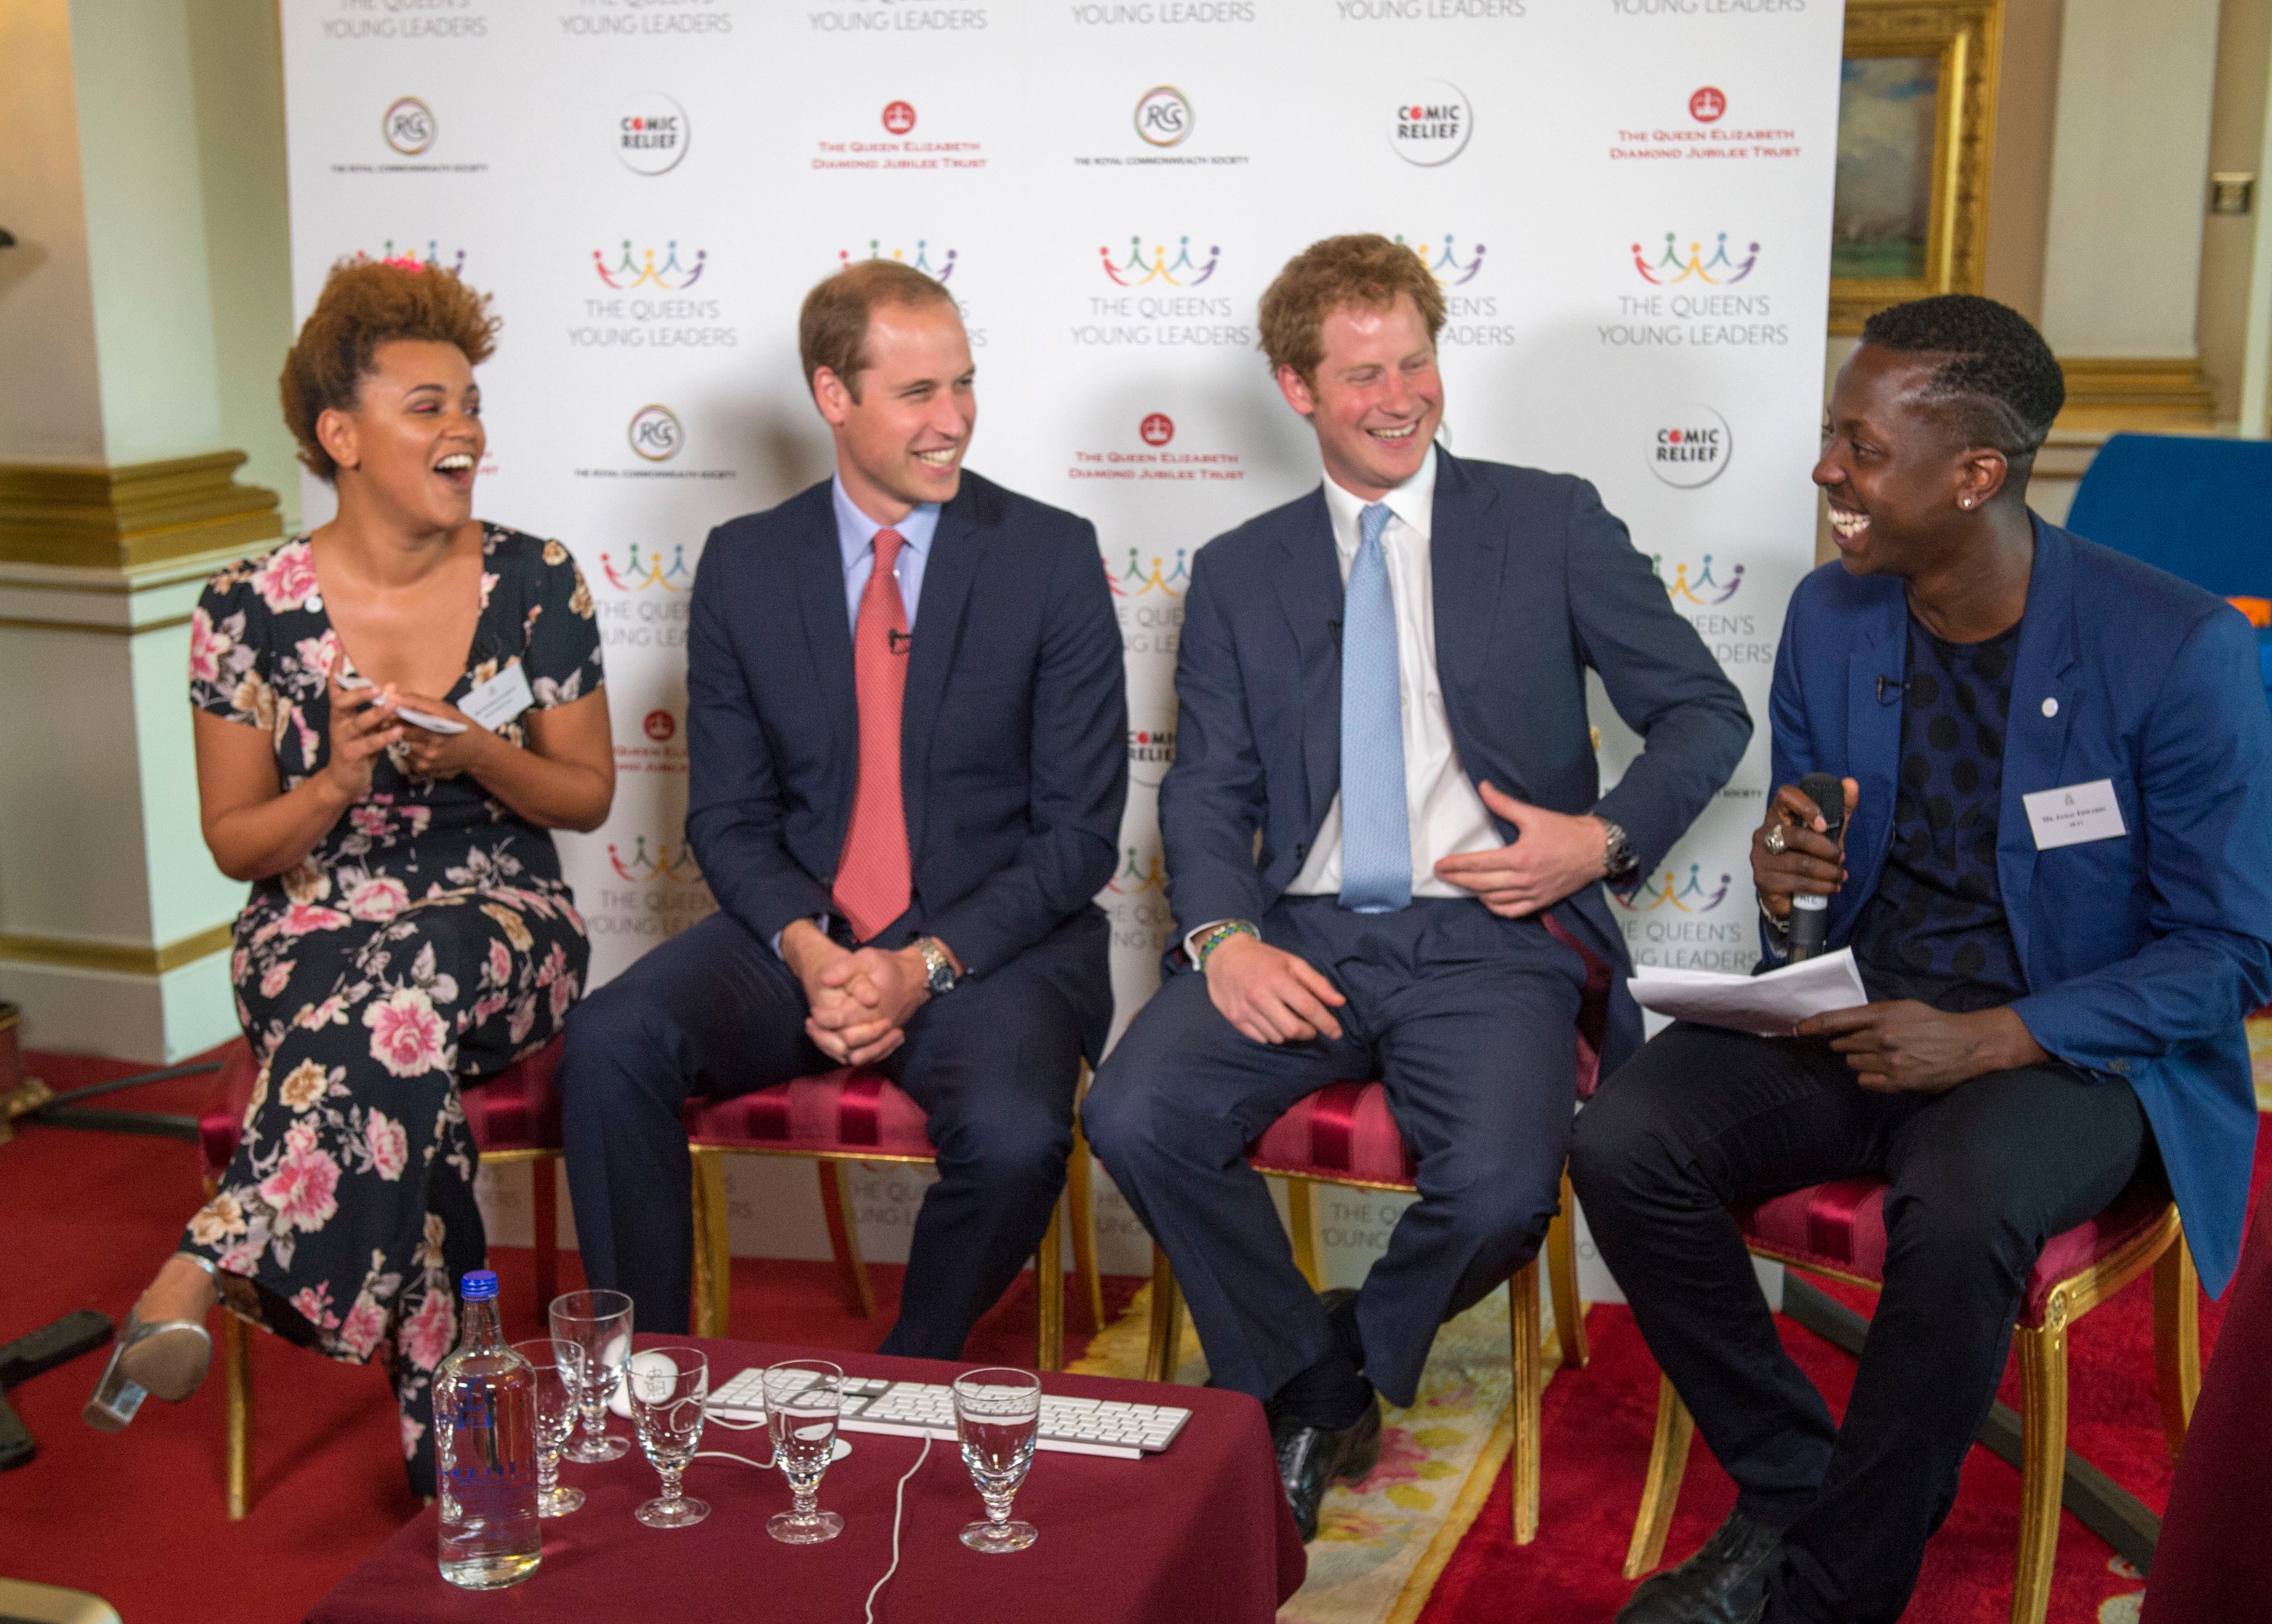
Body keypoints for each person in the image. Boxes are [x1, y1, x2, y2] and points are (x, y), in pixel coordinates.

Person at [1570, 294, 2272, 1624]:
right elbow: (1815, 867)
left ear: (1977, 474)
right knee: (1624, 1136)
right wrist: (1787, 890)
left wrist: (1998, 1035)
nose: (1828, 469)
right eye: (1834, 437)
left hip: (2076, 1044)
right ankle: (1793, 1486)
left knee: (1958, 1199)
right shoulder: (1832, 617)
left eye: (1861, 445)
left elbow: (2237, 948)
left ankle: (1834, 1590)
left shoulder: (2175, 647)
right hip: (1871, 1013)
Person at [1080, 234, 1751, 1539]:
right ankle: (1317, 1382)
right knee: (1136, 1110)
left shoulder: (1548, 517)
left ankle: (1329, 1358)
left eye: (1417, 362)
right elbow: (1209, 786)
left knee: (1504, 1184)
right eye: (1363, 373)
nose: (1399, 397)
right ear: (1298, 387)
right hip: (1303, 929)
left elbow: (1703, 713)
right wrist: (1221, 936)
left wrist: (1599, 840)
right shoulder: (1239, 567)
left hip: (1494, 934)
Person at [84, 259, 614, 1496]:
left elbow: (585, 793)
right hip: (312, 924)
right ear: (342, 434)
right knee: (400, 1066)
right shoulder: (244, 608)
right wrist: (332, 781)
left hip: (502, 920)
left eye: (469, 402)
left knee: (407, 985)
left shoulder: (537, 581)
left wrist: (479, 749)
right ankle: (468, 1471)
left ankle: (206, 1261)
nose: (465, 429)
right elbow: (237, 841)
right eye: (428, 406)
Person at [559, 259, 1127, 1354]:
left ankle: (905, 1374)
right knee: (612, 1040)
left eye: (964, 384)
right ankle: (651, 1380)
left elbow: (1078, 837)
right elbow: (725, 818)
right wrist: (814, 951)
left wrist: (923, 965)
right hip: (805, 935)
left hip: (988, 947)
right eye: (919, 394)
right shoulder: (743, 565)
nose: (953, 419)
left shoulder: (1050, 558)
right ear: (834, 396)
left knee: (1014, 1136)